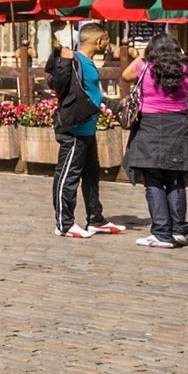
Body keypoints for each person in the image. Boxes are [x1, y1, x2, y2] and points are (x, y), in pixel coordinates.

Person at [121, 32, 188, 248]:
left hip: (149, 126)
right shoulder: (187, 70)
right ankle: (179, 231)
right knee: (175, 179)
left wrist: (143, 55)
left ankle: (161, 232)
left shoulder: (144, 68)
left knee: (153, 180)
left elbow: (125, 75)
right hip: (178, 125)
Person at [46, 27, 122, 237]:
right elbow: (58, 86)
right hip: (74, 130)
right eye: (107, 40)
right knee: (67, 176)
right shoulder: (73, 60)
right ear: (99, 42)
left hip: (88, 128)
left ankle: (95, 219)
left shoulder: (88, 64)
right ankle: (64, 223)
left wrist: (114, 105)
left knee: (91, 176)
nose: (108, 45)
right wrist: (64, 61)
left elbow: (92, 93)